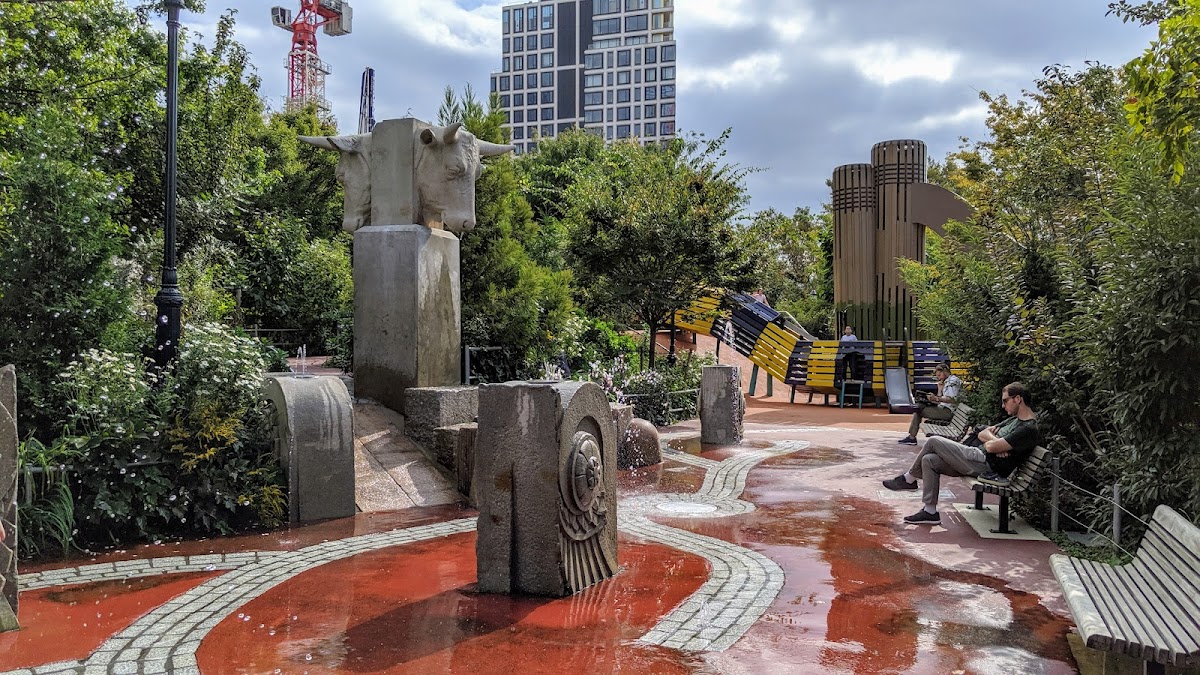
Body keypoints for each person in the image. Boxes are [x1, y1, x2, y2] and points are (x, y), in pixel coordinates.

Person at [882, 382, 1039, 524]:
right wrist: (996, 441)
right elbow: (982, 433)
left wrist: (994, 443)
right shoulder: (1013, 420)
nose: (1003, 406)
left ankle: (909, 479)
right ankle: (930, 512)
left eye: (1005, 401)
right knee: (929, 460)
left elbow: (990, 447)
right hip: (978, 458)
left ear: (1018, 399)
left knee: (933, 441)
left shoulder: (1027, 429)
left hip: (985, 464)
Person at [897, 363, 961, 445]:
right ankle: (914, 409)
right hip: (943, 408)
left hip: (948, 412)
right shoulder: (947, 381)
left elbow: (952, 399)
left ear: (945, 371)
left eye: (939, 375)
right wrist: (939, 390)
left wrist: (937, 398)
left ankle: (912, 437)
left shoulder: (953, 381)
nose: (939, 378)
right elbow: (940, 399)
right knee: (921, 405)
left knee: (918, 410)